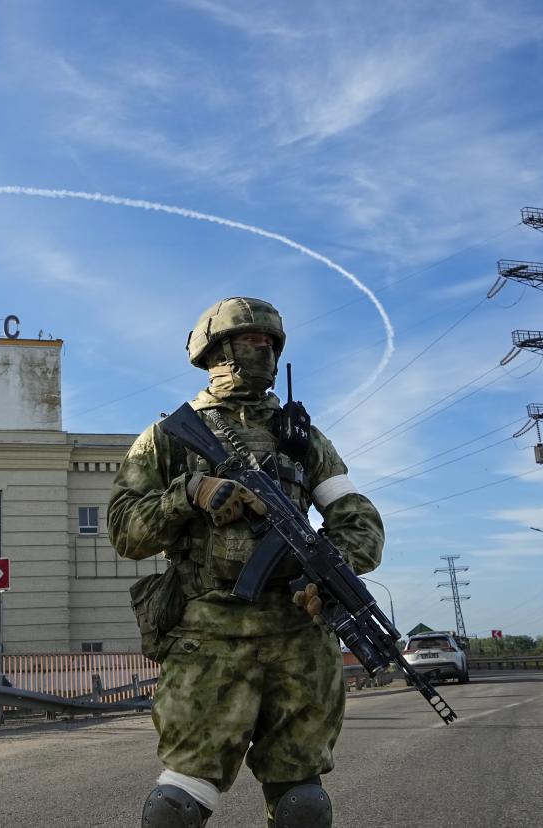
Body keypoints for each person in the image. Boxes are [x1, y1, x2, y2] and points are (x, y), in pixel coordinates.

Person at [108, 298, 385, 828]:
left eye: (270, 343)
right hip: (209, 635)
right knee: (178, 805)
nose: (262, 350)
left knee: (303, 803)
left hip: (298, 635)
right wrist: (187, 494)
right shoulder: (168, 437)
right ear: (216, 351)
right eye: (250, 340)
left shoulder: (302, 439)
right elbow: (124, 530)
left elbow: (358, 519)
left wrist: (331, 571)